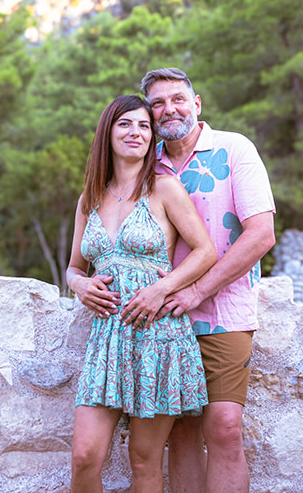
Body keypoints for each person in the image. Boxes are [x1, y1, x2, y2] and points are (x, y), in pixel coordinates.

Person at [65, 94, 217, 493]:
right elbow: (73, 268)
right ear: (107, 132)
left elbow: (206, 252)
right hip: (106, 340)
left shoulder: (164, 188)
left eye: (144, 126)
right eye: (125, 124)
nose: (136, 132)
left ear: (152, 138)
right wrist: (80, 285)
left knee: (145, 461)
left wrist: (161, 290)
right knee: (84, 457)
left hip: (158, 336)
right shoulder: (89, 199)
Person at [140, 68, 276, 493]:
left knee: (224, 427)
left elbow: (261, 234)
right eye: (157, 103)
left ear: (196, 104)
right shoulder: (146, 162)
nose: (169, 109)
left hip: (224, 311)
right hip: (162, 316)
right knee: (180, 435)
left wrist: (197, 290)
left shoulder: (234, 149)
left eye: (178, 99)